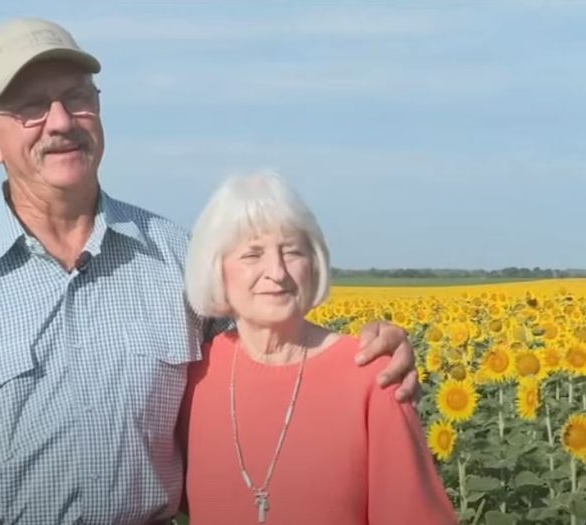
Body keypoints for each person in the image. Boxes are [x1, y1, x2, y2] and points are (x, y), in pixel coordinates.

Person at [0, 18, 420, 525]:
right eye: (32, 107)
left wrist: (366, 357)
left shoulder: (180, 261)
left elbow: (271, 369)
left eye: (77, 98)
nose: (60, 121)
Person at [180, 172, 456, 524]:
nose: (277, 271)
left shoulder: (373, 375)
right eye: (252, 254)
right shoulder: (195, 375)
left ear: (314, 263)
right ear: (216, 269)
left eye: (292, 251)